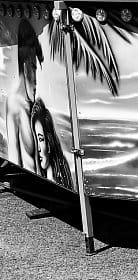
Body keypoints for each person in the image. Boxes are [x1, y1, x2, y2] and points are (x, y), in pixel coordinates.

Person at [6, 19, 43, 172]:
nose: (36, 80)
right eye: (33, 68)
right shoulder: (14, 104)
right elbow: (14, 157)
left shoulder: (33, 106)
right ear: (24, 65)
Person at [30, 98, 74, 190]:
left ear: (49, 142)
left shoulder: (59, 176)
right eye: (36, 140)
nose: (38, 148)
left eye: (41, 139)